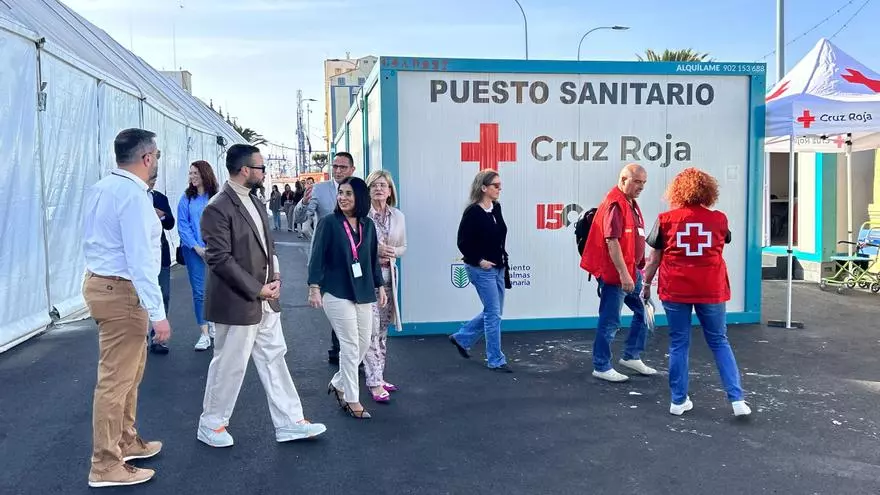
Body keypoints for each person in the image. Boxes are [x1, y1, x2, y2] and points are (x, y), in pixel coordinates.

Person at [197, 144, 327, 447]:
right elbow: (219, 259)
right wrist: (257, 289)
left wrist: (276, 274)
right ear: (245, 170)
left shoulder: (254, 202)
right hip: (238, 302)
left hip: (266, 300)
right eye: (261, 168)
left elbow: (267, 247)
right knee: (230, 364)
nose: (264, 172)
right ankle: (211, 424)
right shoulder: (217, 208)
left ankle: (290, 422)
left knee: (274, 359)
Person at [81, 128, 172, 487]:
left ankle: (125, 440)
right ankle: (104, 464)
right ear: (147, 158)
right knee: (116, 382)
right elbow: (139, 260)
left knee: (129, 374)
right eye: (158, 156)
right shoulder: (134, 197)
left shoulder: (102, 188)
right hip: (123, 291)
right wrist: (159, 313)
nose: (157, 162)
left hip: (105, 284)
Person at [642, 167, 751, 417]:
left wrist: (646, 285)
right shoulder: (719, 219)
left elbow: (653, 259)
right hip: (711, 288)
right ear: (708, 191)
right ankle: (737, 401)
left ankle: (678, 402)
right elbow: (725, 240)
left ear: (677, 191)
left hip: (676, 289)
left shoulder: (665, 219)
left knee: (679, 342)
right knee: (719, 341)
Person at [308, 176, 387, 419]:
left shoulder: (368, 225)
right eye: (340, 193)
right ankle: (352, 399)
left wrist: (380, 286)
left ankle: (339, 381)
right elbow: (317, 256)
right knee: (350, 345)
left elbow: (371, 260)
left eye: (348, 194)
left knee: (364, 341)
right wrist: (314, 287)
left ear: (359, 198)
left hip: (362, 290)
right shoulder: (330, 223)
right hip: (336, 290)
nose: (342, 197)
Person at [580, 163, 657, 382]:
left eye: (643, 183)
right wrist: (624, 275)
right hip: (618, 277)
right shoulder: (615, 205)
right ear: (623, 180)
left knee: (644, 314)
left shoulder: (630, 203)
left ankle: (631, 356)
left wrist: (637, 270)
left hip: (633, 272)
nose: (641, 187)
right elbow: (611, 242)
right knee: (610, 321)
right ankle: (601, 366)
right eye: (637, 182)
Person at [448, 170, 513, 373]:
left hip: (499, 268)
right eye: (495, 185)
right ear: (483, 187)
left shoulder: (496, 208)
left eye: (500, 185)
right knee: (493, 314)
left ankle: (462, 337)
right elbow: (462, 242)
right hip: (481, 270)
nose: (499, 189)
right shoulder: (473, 212)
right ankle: (496, 360)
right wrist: (479, 260)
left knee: (494, 312)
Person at [296, 152, 356, 364]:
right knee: (338, 302)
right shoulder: (320, 190)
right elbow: (301, 217)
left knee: (352, 303)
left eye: (343, 167)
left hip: (354, 258)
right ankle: (339, 350)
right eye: (335, 166)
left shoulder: (359, 188)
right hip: (328, 260)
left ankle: (347, 350)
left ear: (352, 170)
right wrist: (303, 203)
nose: (338, 170)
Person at [364, 170, 407, 402]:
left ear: (390, 190)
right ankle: (374, 382)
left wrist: (393, 252)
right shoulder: (362, 216)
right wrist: (376, 250)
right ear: (368, 190)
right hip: (368, 279)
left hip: (390, 278)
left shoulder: (398, 216)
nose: (379, 189)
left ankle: (379, 375)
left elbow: (403, 247)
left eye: (383, 185)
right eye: (374, 186)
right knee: (369, 331)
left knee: (382, 331)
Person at [177, 160, 219, 351]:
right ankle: (204, 333)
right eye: (190, 173)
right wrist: (196, 247)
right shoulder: (186, 199)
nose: (192, 177)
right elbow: (183, 226)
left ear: (205, 174)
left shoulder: (216, 197)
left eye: (195, 173)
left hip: (216, 250)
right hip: (194, 252)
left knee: (216, 289)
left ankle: (214, 324)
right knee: (199, 292)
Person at [147, 176, 175, 354]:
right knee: (139, 298)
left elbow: (171, 223)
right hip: (141, 256)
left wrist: (162, 215)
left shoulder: (160, 198)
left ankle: (158, 337)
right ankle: (141, 336)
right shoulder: (132, 198)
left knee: (163, 293)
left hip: (161, 254)